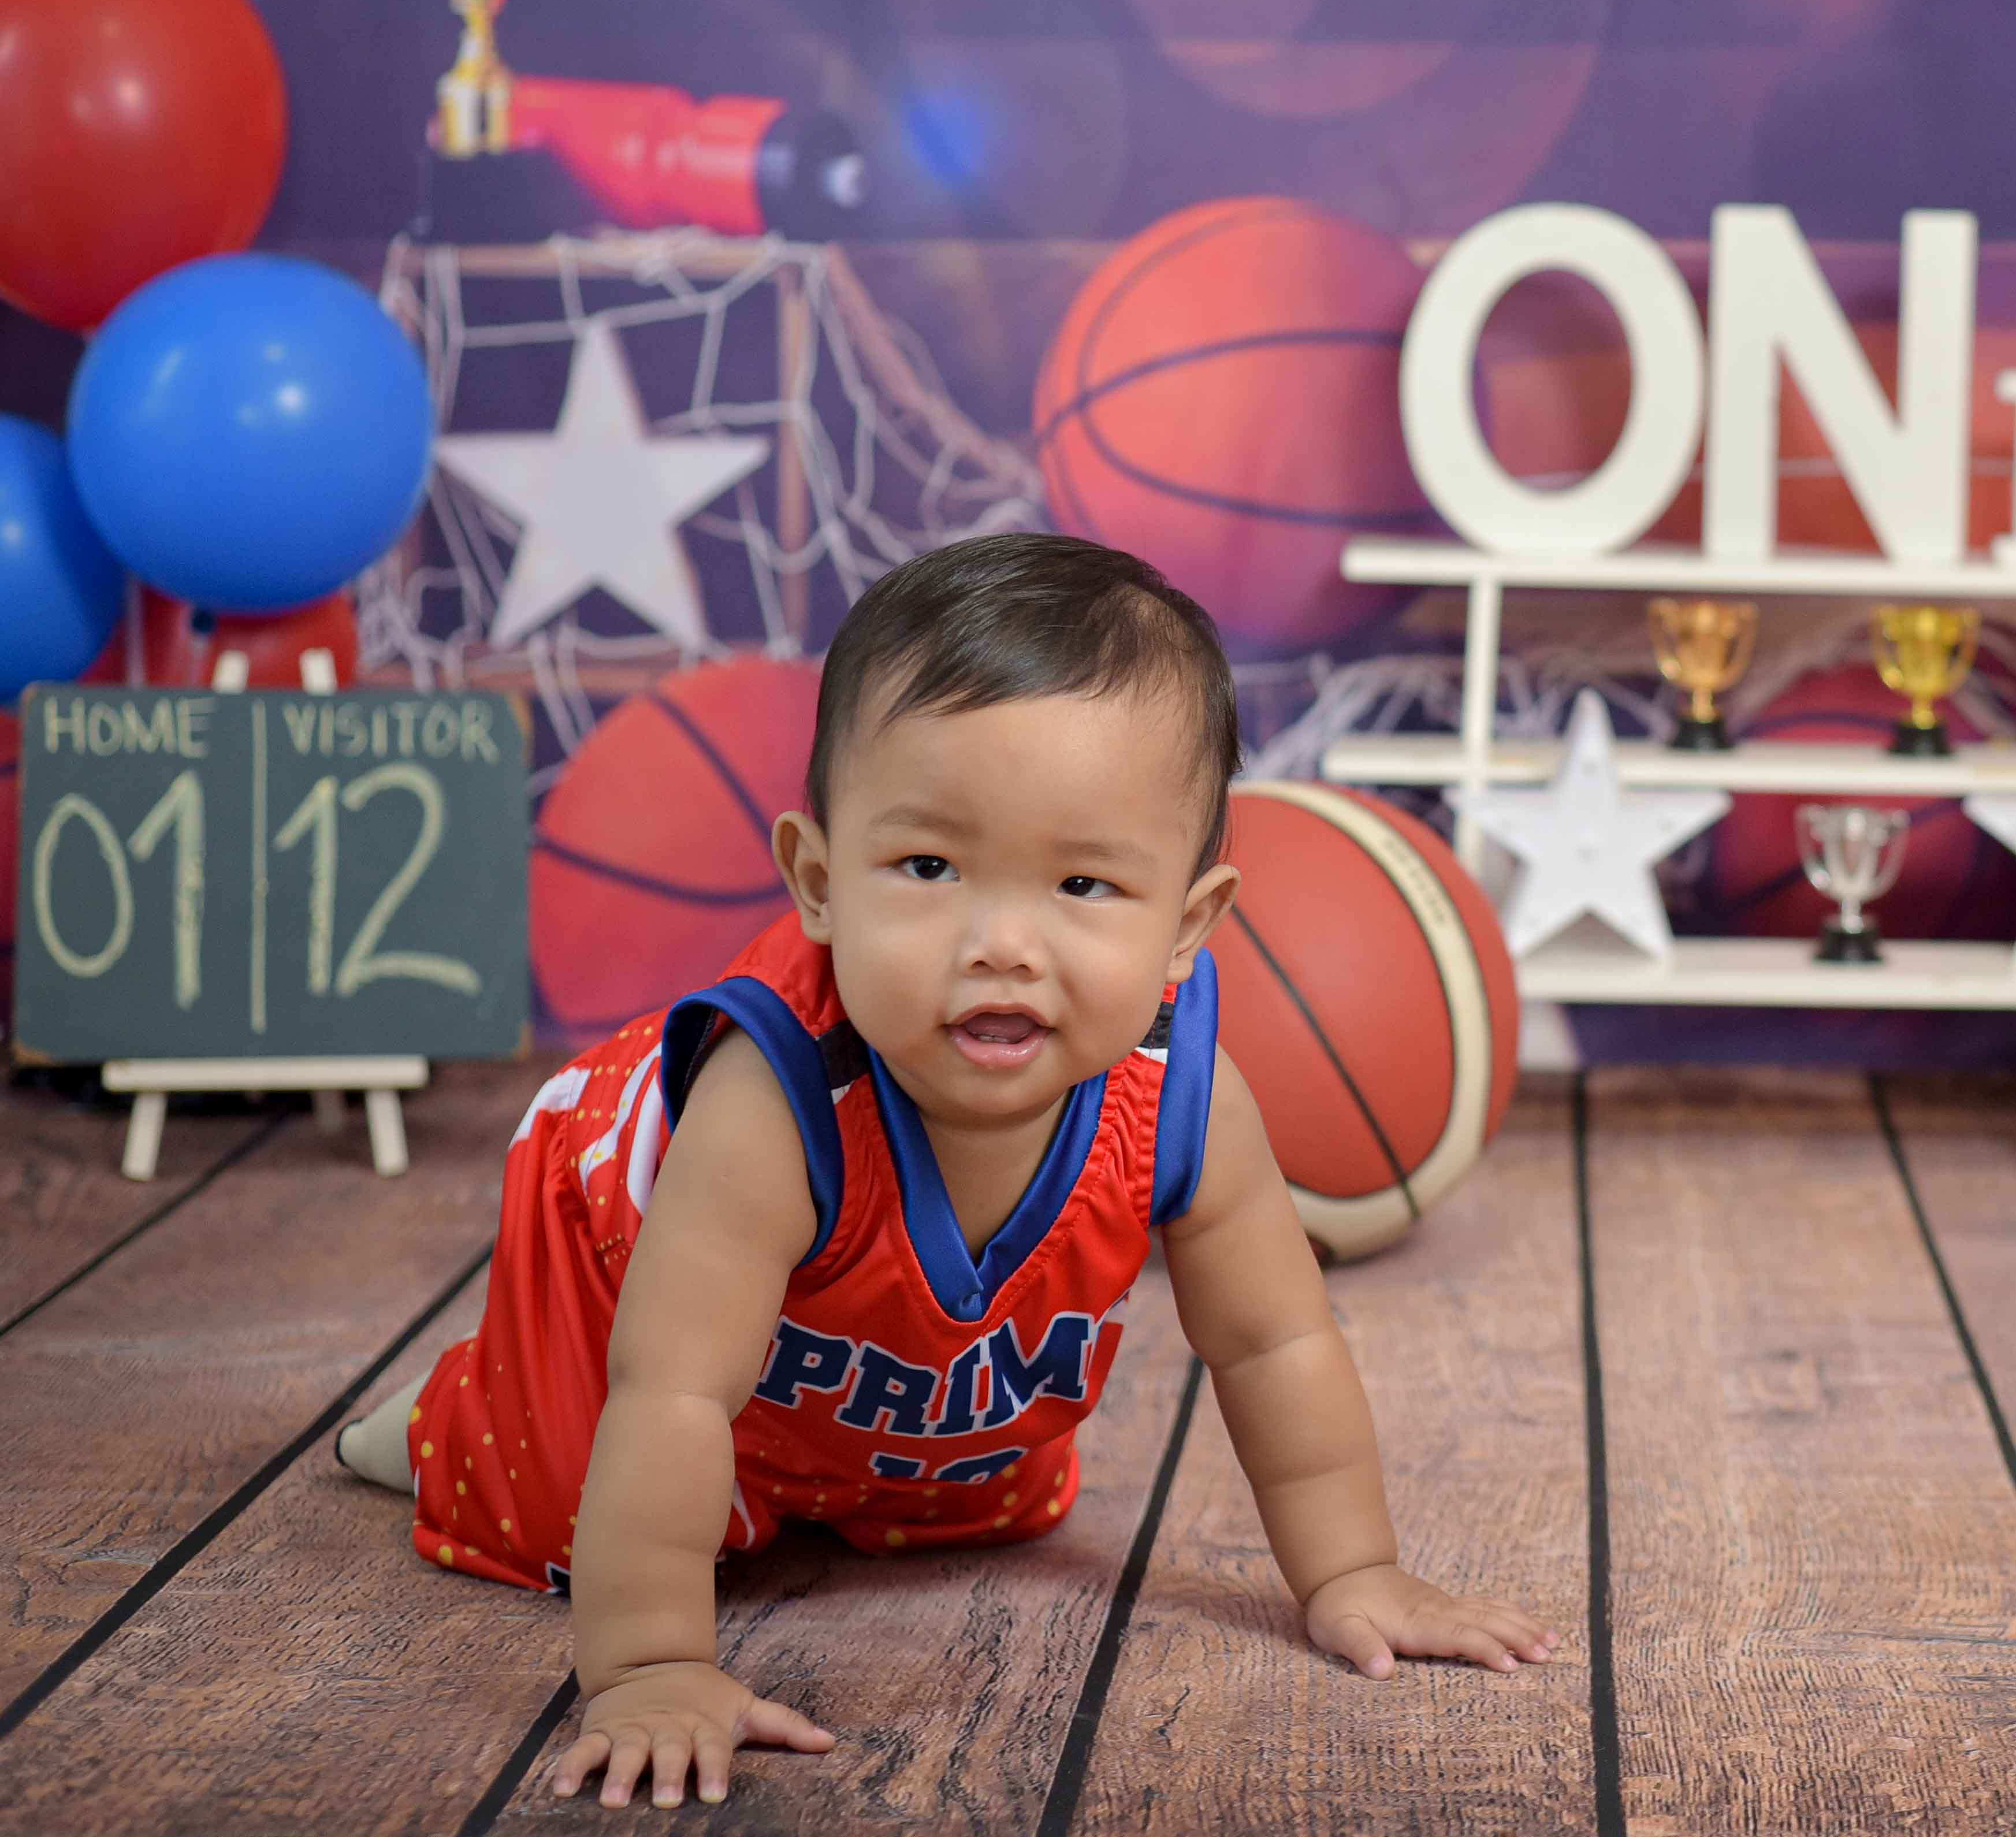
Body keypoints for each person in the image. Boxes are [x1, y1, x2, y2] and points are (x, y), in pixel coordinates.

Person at [335, 533, 1551, 1809]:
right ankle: (439, 1415)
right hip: (623, 1290)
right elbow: (674, 1389)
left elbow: (1273, 1342)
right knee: (553, 1496)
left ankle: (816, 1464)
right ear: (818, 882)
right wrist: (651, 1666)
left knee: (989, 1488)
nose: (1002, 943)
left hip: (870, 1371)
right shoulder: (773, 1105)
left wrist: (1352, 1570)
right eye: (928, 868)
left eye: (1083, 882)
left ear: (1186, 927)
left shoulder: (1182, 1096)